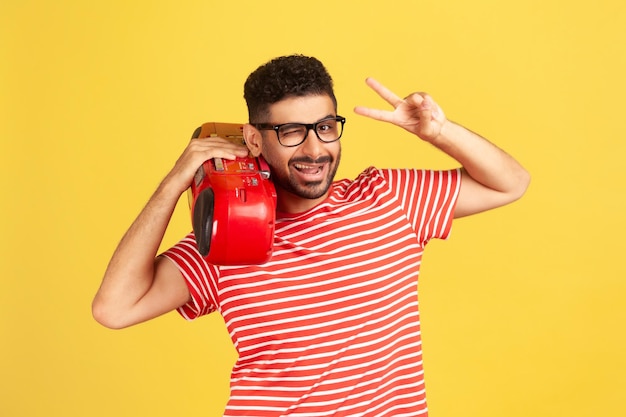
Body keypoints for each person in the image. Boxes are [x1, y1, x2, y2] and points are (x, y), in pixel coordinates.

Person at [93, 54, 530, 416]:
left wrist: (439, 133)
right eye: (291, 132)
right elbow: (114, 308)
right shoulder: (228, 234)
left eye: (325, 127)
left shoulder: (388, 197)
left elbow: (510, 182)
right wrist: (174, 181)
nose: (315, 149)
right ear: (254, 139)